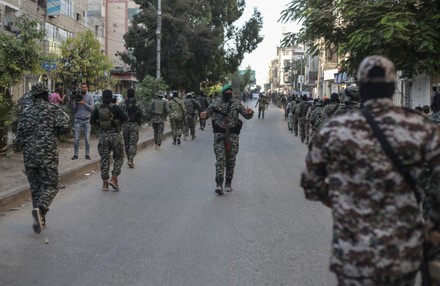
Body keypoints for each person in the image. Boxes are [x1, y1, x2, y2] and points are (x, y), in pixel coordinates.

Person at [301, 55, 440, 285]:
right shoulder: (420, 127)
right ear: (393, 87)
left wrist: (342, 200)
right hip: (402, 253)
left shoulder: (334, 129)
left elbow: (311, 185)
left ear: (361, 87)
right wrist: (433, 222)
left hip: (353, 253)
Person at [16, 82, 70, 234]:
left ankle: (41, 218)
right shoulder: (52, 109)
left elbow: (18, 137)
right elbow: (65, 127)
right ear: (46, 95)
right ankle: (40, 209)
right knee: (52, 185)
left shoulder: (25, 112)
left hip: (29, 156)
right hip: (47, 155)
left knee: (36, 187)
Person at [200, 84, 254, 194]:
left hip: (233, 136)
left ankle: (228, 182)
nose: (229, 94)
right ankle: (219, 184)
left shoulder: (236, 103)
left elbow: (246, 115)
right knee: (220, 159)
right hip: (219, 135)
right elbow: (207, 113)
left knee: (231, 160)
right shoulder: (215, 102)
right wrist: (204, 114)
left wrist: (250, 113)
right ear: (223, 93)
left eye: (230, 92)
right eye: (227, 93)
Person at [90, 89, 128, 191]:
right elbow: (125, 117)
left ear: (102, 97)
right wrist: (117, 122)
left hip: (103, 136)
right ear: (111, 98)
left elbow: (91, 121)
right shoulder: (116, 107)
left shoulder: (97, 108)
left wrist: (100, 124)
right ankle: (114, 178)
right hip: (115, 136)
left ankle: (105, 184)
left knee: (104, 159)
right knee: (119, 158)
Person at [71, 82, 94, 160]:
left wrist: (84, 103)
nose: (83, 88)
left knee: (87, 139)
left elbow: (92, 108)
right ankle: (75, 154)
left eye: (85, 87)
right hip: (78, 120)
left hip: (87, 121)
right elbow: (74, 111)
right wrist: (75, 103)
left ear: (87, 88)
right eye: (82, 87)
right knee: (76, 138)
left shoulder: (90, 97)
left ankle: (87, 154)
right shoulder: (77, 97)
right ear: (80, 88)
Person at [121, 88, 143, 168]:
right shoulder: (137, 103)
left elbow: (119, 114)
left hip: (125, 125)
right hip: (134, 125)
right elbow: (144, 113)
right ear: (134, 94)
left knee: (127, 143)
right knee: (133, 143)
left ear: (127, 94)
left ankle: (128, 158)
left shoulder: (123, 103)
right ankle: (130, 159)